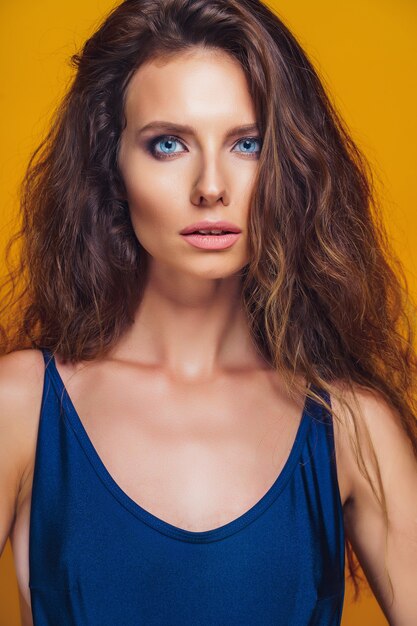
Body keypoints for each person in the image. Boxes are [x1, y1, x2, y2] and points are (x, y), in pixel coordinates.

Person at [0, 0, 416, 624]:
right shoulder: (21, 406)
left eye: (247, 144)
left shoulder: (353, 425)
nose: (211, 186)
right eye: (168, 144)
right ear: (110, 165)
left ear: (287, 166)